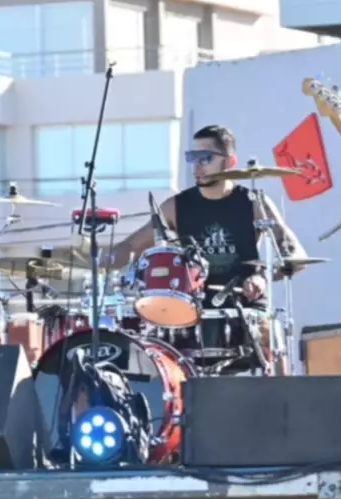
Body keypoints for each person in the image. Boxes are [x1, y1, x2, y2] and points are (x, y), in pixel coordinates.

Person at [110, 125, 306, 373]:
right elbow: (130, 246)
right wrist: (95, 260)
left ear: (230, 162)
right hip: (195, 312)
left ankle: (280, 394)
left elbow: (295, 256)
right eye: (192, 157)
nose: (197, 166)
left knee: (273, 341)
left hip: (247, 309)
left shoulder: (254, 203)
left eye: (205, 158)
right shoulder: (177, 206)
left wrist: (263, 277)